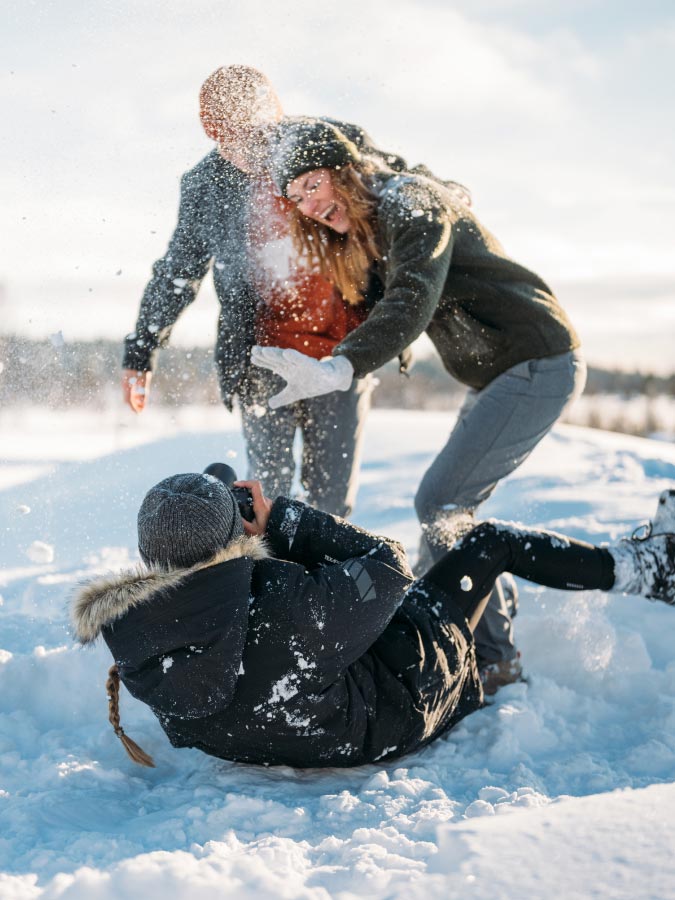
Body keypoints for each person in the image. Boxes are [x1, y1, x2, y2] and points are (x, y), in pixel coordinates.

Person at [252, 118, 587, 687]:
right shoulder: (379, 219)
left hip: (536, 362)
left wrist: (342, 366)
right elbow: (388, 298)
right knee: (451, 514)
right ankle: (486, 638)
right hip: (502, 374)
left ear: (345, 170)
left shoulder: (412, 202)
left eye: (313, 185)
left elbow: (414, 293)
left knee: (441, 503)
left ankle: (487, 654)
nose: (308, 205)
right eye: (295, 197)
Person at [72, 472, 675, 769]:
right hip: (399, 705)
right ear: (232, 538)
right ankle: (649, 569)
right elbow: (389, 566)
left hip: (291, 720)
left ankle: (495, 635)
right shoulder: (285, 601)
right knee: (491, 542)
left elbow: (226, 603)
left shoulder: (136, 635)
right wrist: (283, 521)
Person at [122, 66, 427, 517]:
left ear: (274, 118)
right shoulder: (207, 184)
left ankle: (326, 584)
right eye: (230, 141)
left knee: (331, 502)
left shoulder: (329, 140)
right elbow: (178, 272)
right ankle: (275, 582)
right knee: (268, 497)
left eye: (254, 136)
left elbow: (403, 180)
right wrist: (141, 348)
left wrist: (443, 195)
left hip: (343, 356)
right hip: (262, 359)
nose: (245, 151)